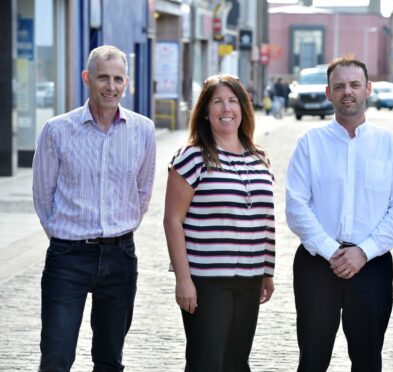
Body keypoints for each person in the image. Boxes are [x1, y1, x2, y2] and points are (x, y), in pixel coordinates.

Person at [285, 54, 393, 371]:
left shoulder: (391, 145)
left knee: (368, 359)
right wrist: (333, 252)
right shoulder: (310, 143)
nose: (348, 92)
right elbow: (296, 207)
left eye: (355, 85)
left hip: (371, 265)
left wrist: (362, 252)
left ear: (368, 89)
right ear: (328, 93)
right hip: (317, 265)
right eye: (339, 86)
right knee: (313, 359)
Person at [32, 45, 156, 371]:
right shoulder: (57, 130)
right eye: (103, 77)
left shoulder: (143, 130)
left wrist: (119, 227)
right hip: (67, 258)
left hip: (120, 257)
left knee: (109, 359)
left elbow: (142, 192)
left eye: (117, 79)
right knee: (56, 357)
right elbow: (43, 195)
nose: (110, 86)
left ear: (126, 83)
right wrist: (66, 235)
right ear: (88, 78)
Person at [163, 74, 275, 371]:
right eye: (218, 102)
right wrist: (183, 280)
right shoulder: (191, 157)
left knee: (237, 363)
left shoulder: (259, 157)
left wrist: (267, 271)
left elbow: (265, 218)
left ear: (243, 109)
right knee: (207, 363)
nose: (226, 109)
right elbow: (173, 221)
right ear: (205, 111)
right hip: (206, 281)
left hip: (249, 280)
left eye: (233, 101)